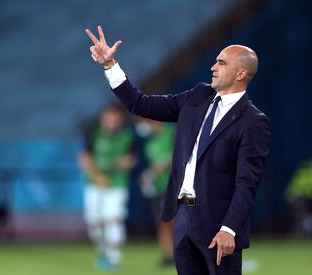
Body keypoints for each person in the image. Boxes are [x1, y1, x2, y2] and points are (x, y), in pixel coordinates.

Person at [85, 26, 271, 275]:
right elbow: (141, 104)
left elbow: (247, 182)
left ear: (241, 73)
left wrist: (229, 229)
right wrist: (110, 66)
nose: (213, 67)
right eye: (215, 61)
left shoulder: (253, 121)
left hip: (218, 224)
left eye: (221, 63)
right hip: (183, 216)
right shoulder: (198, 96)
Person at [78, 103, 135, 271]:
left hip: (116, 183)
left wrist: (119, 165)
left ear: (121, 120)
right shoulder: (93, 132)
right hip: (94, 183)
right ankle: (102, 251)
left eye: (115, 119)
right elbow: (84, 157)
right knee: (93, 221)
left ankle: (114, 258)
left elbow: (130, 159)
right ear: (103, 118)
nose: (111, 122)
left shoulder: (127, 135)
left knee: (113, 219)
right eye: (108, 118)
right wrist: (98, 175)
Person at [138, 118, 175, 267]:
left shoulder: (172, 133)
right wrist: (147, 177)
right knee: (162, 222)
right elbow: (154, 166)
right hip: (160, 187)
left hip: (177, 185)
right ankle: (167, 256)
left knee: (179, 222)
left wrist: (160, 166)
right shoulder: (149, 143)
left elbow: (180, 152)